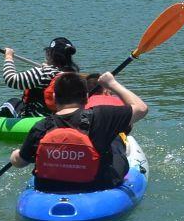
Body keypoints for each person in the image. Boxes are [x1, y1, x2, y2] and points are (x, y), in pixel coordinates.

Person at [10, 70, 148, 193]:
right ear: (87, 97)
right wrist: (112, 84)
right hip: (96, 185)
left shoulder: (42, 126)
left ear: (54, 97)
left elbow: (20, 163)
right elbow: (141, 108)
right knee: (115, 139)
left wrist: (15, 155)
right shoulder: (102, 116)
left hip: (48, 187)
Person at [0, 37, 81, 119]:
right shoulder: (73, 75)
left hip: (34, 119)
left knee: (11, 103)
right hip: (58, 118)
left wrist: (8, 57)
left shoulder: (42, 73)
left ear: (50, 54)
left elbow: (11, 80)